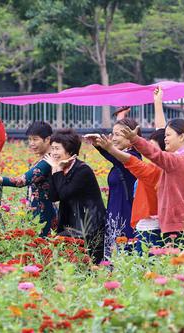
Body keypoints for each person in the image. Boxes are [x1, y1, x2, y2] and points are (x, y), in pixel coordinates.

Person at [92, 87, 167, 254]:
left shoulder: (138, 162)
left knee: (127, 260)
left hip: (133, 219)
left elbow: (161, 135)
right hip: (117, 216)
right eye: (113, 134)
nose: (150, 152)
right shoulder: (143, 164)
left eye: (119, 134)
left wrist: (158, 103)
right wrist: (121, 117)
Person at [122, 118, 184, 246]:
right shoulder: (180, 159)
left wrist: (135, 140)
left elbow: (157, 155)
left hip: (179, 229)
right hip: (178, 226)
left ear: (181, 137)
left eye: (168, 135)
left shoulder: (178, 160)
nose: (165, 138)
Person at [0, 121, 57, 236]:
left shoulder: (48, 161)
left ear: (47, 139)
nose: (31, 143)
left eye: (35, 139)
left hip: (44, 213)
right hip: (37, 211)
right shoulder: (45, 159)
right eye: (30, 139)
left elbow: (22, 181)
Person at [44, 129, 106, 264]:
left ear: (70, 151)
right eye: (52, 149)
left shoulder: (83, 170)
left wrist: (56, 170)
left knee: (90, 266)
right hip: (71, 226)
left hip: (89, 226)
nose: (53, 153)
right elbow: (53, 196)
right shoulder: (58, 167)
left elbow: (64, 194)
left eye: (57, 149)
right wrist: (55, 170)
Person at [84, 118, 141, 258]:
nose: (113, 138)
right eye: (113, 134)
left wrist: (101, 147)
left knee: (124, 261)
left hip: (126, 217)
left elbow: (117, 158)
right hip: (114, 217)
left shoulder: (133, 157)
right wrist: (100, 146)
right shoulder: (120, 159)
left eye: (118, 135)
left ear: (131, 136)